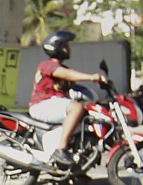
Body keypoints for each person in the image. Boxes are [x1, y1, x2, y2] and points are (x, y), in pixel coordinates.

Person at [28, 30, 104, 166]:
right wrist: (91, 77)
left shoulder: (63, 68)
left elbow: (75, 88)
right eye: (65, 45)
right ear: (55, 47)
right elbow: (67, 74)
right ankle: (61, 148)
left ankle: (76, 161)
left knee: (85, 113)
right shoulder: (48, 65)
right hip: (42, 105)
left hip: (54, 105)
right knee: (76, 108)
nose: (68, 49)